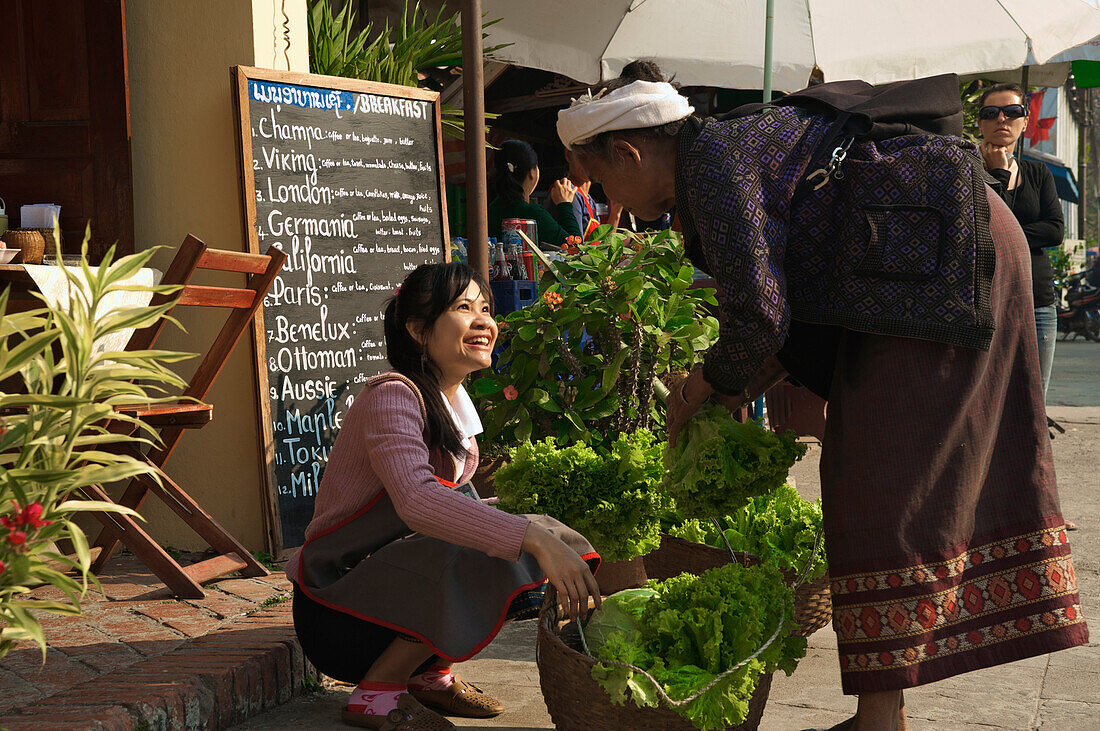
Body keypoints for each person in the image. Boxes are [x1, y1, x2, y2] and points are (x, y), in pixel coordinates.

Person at [558, 61, 1087, 731]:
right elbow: (784, 300)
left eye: (605, 183)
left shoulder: (714, 163)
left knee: (880, 485)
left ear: (630, 151)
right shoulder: (717, 153)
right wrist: (735, 384)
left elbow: (758, 314)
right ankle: (882, 711)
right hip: (928, 263)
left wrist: (697, 388)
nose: (614, 206)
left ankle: (877, 719)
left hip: (945, 263)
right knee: (871, 481)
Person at [285, 263, 600, 730]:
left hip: (382, 594)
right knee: (490, 541)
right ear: (418, 330)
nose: (484, 322)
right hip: (337, 610)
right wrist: (529, 537)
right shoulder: (391, 396)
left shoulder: (452, 408)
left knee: (522, 527)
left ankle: (430, 673)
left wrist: (544, 531)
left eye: (486, 309)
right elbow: (418, 501)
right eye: (463, 308)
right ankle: (378, 691)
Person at [977, 82, 1065, 398]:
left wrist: (1009, 235)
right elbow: (982, 230)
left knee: (1033, 397)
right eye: (991, 113)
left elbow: (1055, 229)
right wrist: (999, 175)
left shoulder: (1038, 173)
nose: (1002, 119)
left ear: (1025, 121)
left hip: (1037, 298)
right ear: (980, 123)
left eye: (1012, 111)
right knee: (988, 397)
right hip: (986, 301)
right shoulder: (970, 172)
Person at [487, 139, 581, 246]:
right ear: (532, 172)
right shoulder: (532, 214)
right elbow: (575, 247)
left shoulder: (489, 211)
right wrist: (565, 205)